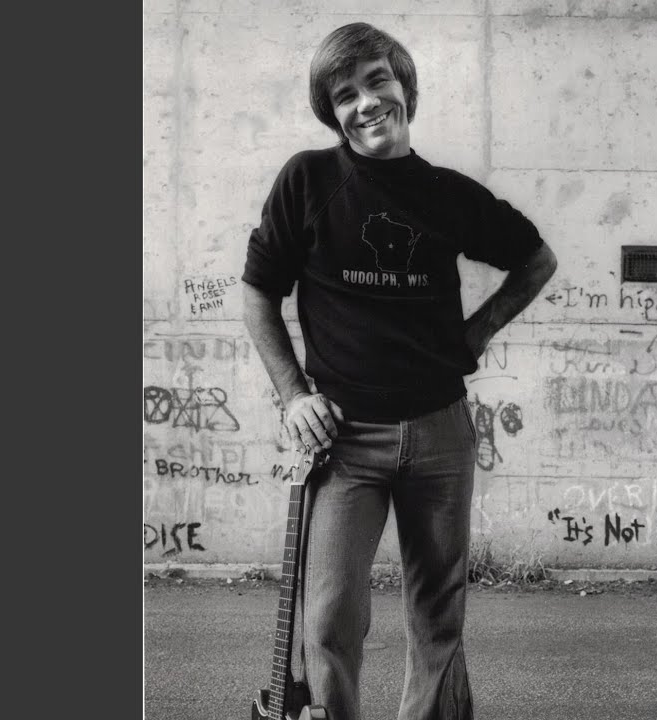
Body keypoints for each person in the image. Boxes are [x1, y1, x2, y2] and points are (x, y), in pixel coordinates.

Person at [241, 22, 558, 720]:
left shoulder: (448, 194)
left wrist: (476, 334)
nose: (366, 103)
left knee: (438, 615)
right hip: (343, 439)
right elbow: (257, 293)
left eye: (377, 80)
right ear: (332, 113)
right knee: (329, 617)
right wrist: (293, 395)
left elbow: (536, 260)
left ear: (404, 85)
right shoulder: (309, 180)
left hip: (441, 431)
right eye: (344, 95)